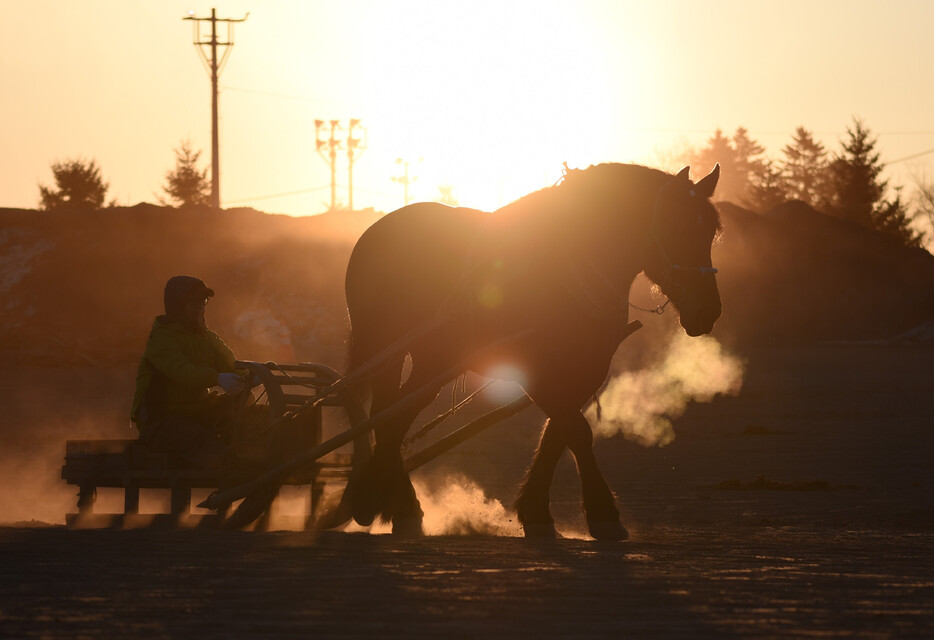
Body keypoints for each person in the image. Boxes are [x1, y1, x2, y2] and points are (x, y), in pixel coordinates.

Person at [131, 275, 254, 464]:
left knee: (247, 406)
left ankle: (250, 461)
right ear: (177, 305)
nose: (200, 306)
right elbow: (182, 371)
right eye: (193, 302)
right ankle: (226, 468)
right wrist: (218, 378)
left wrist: (253, 376)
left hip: (196, 413)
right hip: (161, 420)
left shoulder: (207, 337)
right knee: (205, 442)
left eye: (203, 302)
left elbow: (233, 366)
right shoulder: (161, 339)